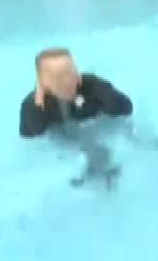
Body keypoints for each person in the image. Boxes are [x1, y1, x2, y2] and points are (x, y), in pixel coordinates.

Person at [19, 48, 133, 188]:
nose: (68, 81)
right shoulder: (34, 105)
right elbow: (32, 142)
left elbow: (125, 108)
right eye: (58, 77)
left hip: (96, 126)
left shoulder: (91, 86)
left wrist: (107, 97)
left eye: (70, 72)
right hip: (64, 138)